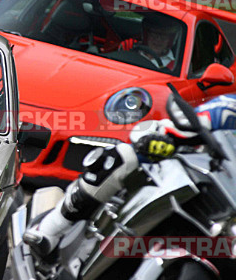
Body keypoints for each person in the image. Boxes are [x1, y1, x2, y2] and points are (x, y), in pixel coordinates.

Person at [25, 94, 236, 257]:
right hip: (192, 180)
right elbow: (184, 127)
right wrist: (161, 138)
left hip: (225, 215)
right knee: (124, 156)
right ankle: (50, 228)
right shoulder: (229, 108)